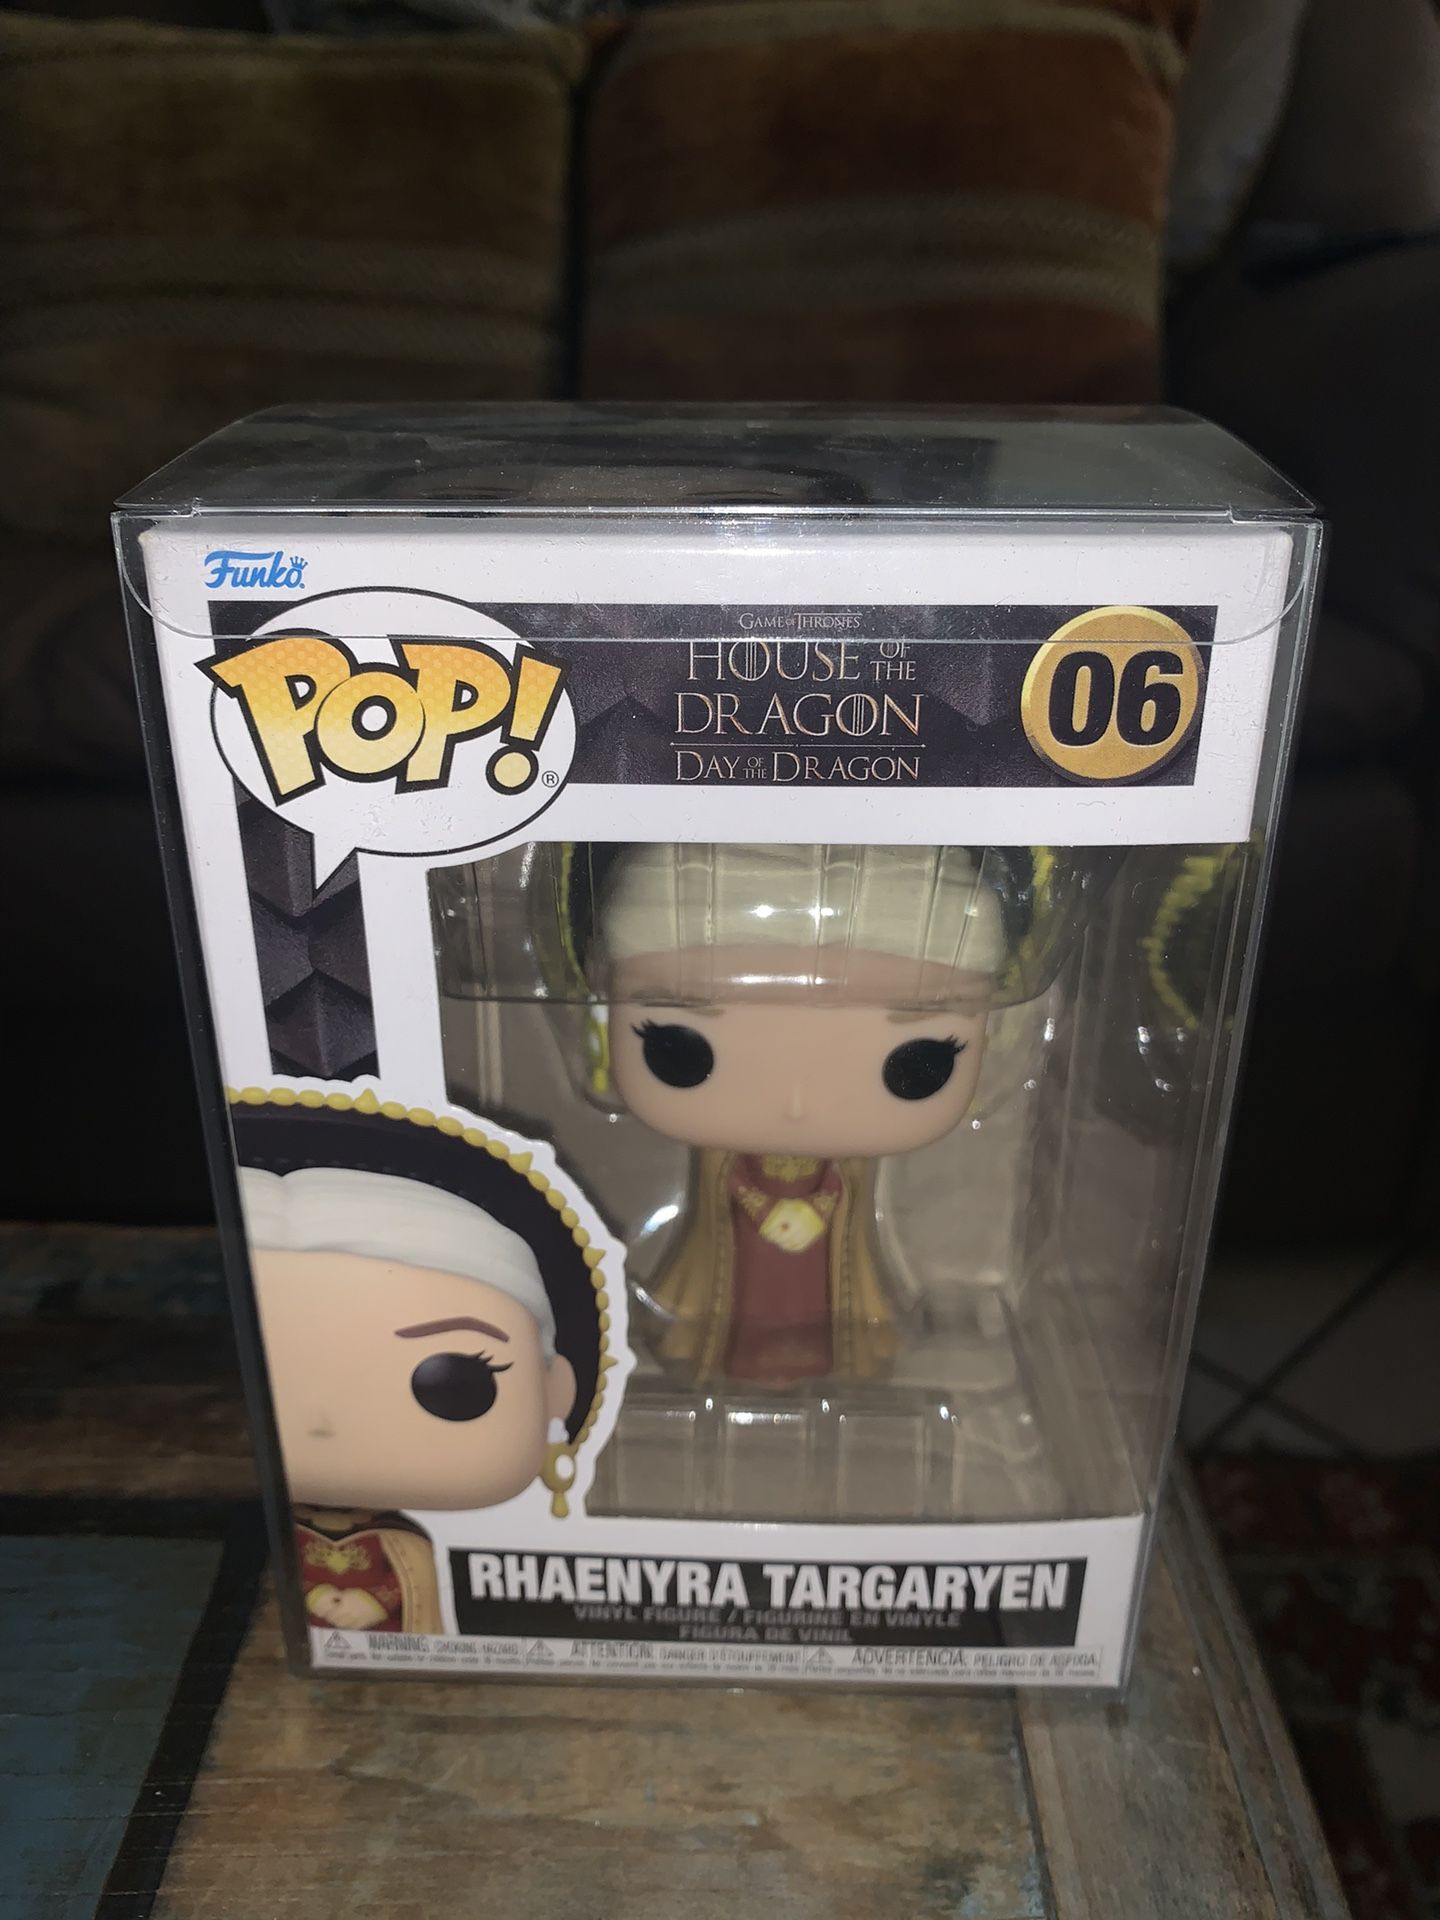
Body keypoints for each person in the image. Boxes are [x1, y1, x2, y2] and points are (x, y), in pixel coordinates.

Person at [598, 843, 1004, 1385]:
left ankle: (829, 1348)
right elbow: (733, 1184)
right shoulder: (726, 1160)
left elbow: (839, 1188)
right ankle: (730, 1346)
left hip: (816, 1238)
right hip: (750, 1236)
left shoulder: (846, 1165)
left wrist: (816, 1207)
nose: (795, 1105)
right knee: (741, 1294)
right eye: (679, 1050)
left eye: (917, 1063)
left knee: (821, 1299)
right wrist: (765, 1207)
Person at [241, 1160, 579, 1635]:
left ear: (555, 1393)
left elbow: (409, 1582)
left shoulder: (401, 1544)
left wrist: (372, 1603)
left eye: (452, 1382)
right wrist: (312, 1595)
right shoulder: (264, 1532)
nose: (320, 1419)